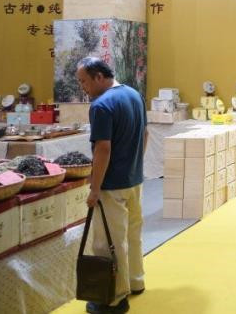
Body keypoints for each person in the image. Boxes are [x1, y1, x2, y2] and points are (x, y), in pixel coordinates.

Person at [76, 57, 147, 314]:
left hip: (112, 185)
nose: (82, 87)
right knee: (133, 235)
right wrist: (135, 165)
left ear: (99, 77)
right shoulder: (134, 95)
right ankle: (136, 281)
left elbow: (103, 148)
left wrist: (95, 188)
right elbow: (145, 134)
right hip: (134, 179)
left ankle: (115, 298)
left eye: (84, 81)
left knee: (108, 243)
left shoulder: (101, 105)